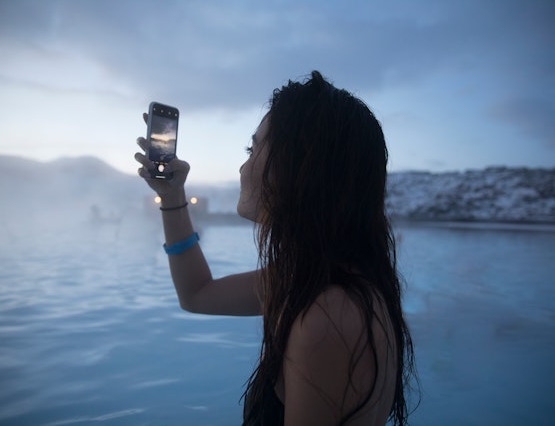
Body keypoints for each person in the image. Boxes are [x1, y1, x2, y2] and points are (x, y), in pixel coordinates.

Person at [135, 71, 417, 426]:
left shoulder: (327, 316)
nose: (242, 166)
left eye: (252, 149)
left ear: (300, 167)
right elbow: (197, 295)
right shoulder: (312, 279)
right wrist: (172, 196)